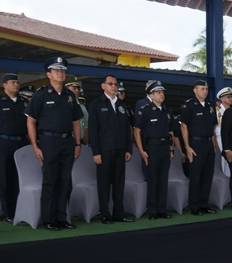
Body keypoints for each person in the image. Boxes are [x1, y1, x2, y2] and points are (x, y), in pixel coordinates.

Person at [25, 57, 84, 230]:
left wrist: (78, 144)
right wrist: (35, 146)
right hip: (48, 141)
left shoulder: (70, 96)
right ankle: (49, 219)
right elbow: (30, 121)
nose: (60, 73)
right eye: (56, 70)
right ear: (48, 74)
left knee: (65, 181)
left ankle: (61, 218)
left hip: (67, 142)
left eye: (63, 70)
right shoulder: (41, 95)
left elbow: (76, 122)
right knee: (50, 181)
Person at [88, 74, 133, 224]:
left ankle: (118, 213)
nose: (114, 86)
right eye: (110, 84)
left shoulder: (122, 105)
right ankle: (105, 214)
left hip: (120, 149)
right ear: (103, 86)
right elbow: (93, 130)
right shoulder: (96, 104)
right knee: (104, 184)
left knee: (119, 183)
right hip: (104, 150)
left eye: (115, 84)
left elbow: (127, 129)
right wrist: (96, 152)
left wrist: (128, 149)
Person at [0, 73, 28, 222]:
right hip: (4, 143)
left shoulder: (24, 102)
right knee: (5, 179)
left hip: (22, 143)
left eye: (17, 82)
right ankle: (8, 213)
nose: (16, 85)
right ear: (5, 85)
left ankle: (21, 209)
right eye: (13, 82)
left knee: (20, 178)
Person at [134, 81, 178, 220]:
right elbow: (137, 131)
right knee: (153, 180)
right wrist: (141, 151)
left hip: (165, 148)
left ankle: (162, 209)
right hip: (151, 148)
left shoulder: (167, 112)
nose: (162, 94)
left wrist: (171, 149)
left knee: (163, 180)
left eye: (162, 92)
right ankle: (153, 210)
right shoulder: (145, 110)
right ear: (151, 95)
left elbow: (171, 132)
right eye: (158, 92)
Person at [179, 79, 218, 216]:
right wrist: (187, 147)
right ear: (195, 90)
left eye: (206, 89)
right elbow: (184, 127)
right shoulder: (189, 105)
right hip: (195, 144)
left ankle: (204, 204)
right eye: (202, 89)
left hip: (208, 144)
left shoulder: (210, 106)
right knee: (196, 176)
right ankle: (194, 206)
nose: (205, 91)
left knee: (207, 176)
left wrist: (214, 145)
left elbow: (213, 127)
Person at [66, 77, 89, 145]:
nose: (77, 91)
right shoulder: (61, 106)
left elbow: (85, 127)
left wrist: (87, 144)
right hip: (66, 142)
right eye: (74, 88)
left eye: (77, 88)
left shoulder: (82, 107)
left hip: (80, 143)